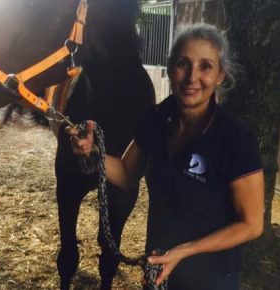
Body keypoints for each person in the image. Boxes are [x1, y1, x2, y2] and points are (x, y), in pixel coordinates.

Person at [67, 23, 264, 290]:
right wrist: (94, 151)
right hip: (160, 275)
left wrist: (185, 251)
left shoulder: (235, 139)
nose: (192, 77)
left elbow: (251, 224)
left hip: (209, 280)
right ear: (171, 69)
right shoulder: (158, 118)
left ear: (219, 75)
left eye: (205, 66)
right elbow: (126, 174)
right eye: (183, 64)